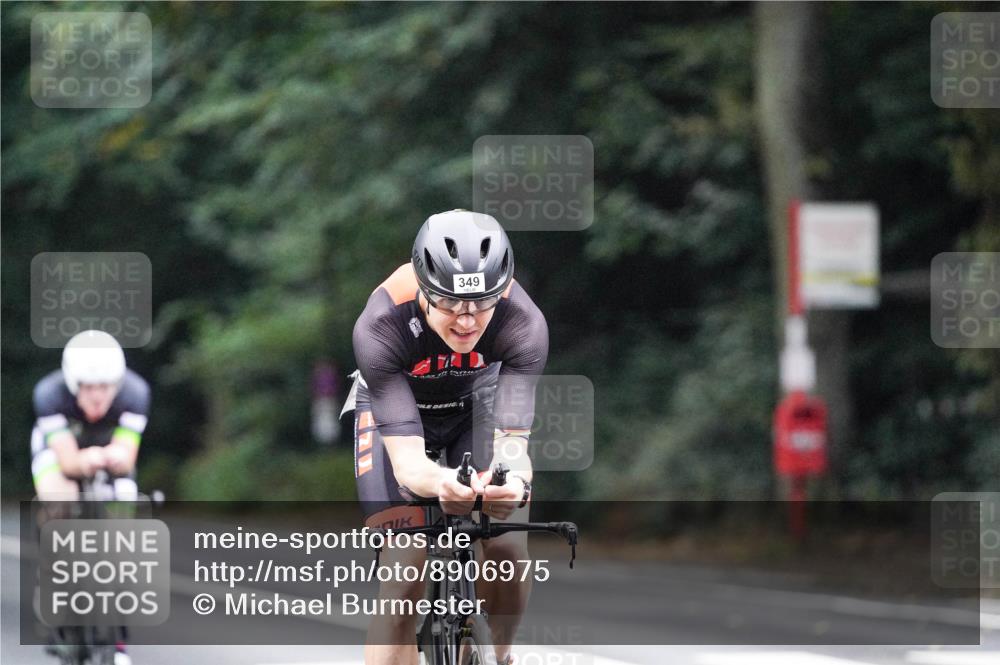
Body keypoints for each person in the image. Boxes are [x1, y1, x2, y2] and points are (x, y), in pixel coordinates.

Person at [348, 209, 547, 665]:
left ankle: (496, 654)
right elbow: (410, 465)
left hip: (475, 406)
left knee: (509, 550)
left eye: (482, 304)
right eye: (449, 303)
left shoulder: (523, 323)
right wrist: (441, 486)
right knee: (403, 576)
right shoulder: (382, 324)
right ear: (422, 286)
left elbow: (514, 448)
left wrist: (512, 484)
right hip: (396, 416)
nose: (466, 320)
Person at [31, 329, 150, 665]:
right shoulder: (49, 394)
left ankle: (119, 643)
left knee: (125, 508)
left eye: (105, 388)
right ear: (72, 383)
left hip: (107, 447)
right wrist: (84, 460)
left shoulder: (136, 393)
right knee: (58, 500)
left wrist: (114, 459)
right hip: (59, 449)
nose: (98, 397)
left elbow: (127, 455)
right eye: (88, 388)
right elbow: (68, 462)